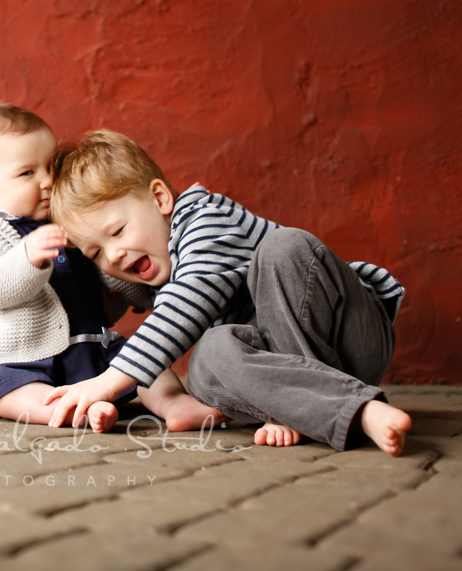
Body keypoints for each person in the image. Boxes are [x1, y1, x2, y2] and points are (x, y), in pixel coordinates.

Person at [44, 129, 412, 455]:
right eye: (96, 253)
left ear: (160, 199)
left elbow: (189, 298)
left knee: (285, 246)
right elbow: (115, 290)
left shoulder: (206, 220)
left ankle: (356, 410)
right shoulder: (146, 264)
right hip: (289, 377)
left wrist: (109, 382)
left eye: (119, 231)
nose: (114, 255)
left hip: (351, 340)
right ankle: (306, 409)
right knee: (209, 358)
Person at [0, 104, 226, 433]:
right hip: (24, 358)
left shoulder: (64, 224)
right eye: (27, 173)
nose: (47, 181)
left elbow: (105, 273)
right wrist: (26, 257)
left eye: (50, 167)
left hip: (91, 349)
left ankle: (173, 403)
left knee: (147, 365)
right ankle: (66, 408)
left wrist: (139, 288)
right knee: (9, 391)